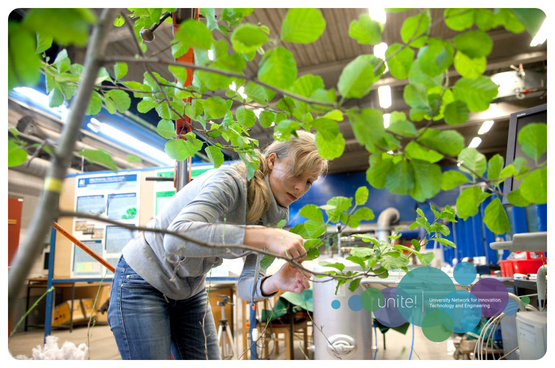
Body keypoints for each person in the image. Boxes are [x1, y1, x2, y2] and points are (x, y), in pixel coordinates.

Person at [107, 130, 328, 360]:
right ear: (272, 161)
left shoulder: (276, 215)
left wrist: (275, 281)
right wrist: (262, 235)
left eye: (309, 182)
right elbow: (175, 238)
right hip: (143, 281)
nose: (301, 188)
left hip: (189, 291)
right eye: (297, 174)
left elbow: (246, 287)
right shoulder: (231, 180)